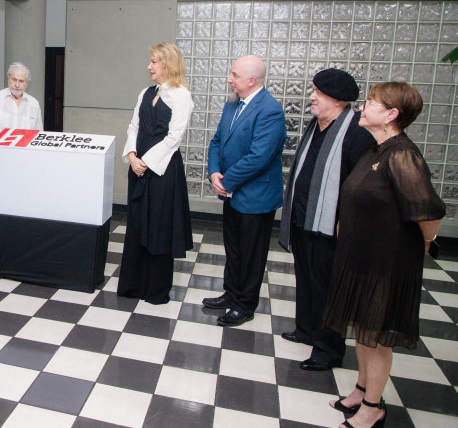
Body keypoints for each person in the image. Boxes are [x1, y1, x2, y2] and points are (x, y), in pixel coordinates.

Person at [323, 81, 444, 428]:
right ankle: (361, 391)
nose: (363, 107)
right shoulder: (376, 150)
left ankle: (372, 408)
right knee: (363, 330)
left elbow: (429, 212)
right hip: (361, 258)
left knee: (376, 338)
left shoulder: (402, 155)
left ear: (391, 114)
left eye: (371, 102)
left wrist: (427, 241)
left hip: (386, 263)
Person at [278, 69, 375, 372]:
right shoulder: (316, 124)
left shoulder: (356, 132)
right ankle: (306, 329)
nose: (311, 97)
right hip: (304, 217)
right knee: (306, 277)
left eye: (317, 93)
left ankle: (328, 350)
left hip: (331, 225)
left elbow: (360, 184)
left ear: (337, 100)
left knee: (327, 287)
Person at [205, 55, 286, 327]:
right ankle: (231, 293)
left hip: (256, 197)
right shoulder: (233, 104)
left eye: (235, 75)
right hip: (232, 193)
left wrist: (226, 180)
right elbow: (217, 141)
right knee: (234, 248)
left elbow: (259, 157)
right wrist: (214, 172)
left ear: (252, 80)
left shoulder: (270, 110)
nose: (229, 79)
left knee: (252, 254)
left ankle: (245, 305)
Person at [117, 42, 193, 305]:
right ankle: (134, 285)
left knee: (159, 227)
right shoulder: (146, 92)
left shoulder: (181, 95)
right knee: (137, 223)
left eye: (153, 62)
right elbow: (134, 127)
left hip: (163, 171)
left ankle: (155, 290)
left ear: (168, 64)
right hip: (138, 168)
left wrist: (146, 162)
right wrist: (131, 156)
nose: (148, 66)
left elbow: (174, 137)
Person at [0, 62, 43, 142]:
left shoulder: (34, 104)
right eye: (14, 80)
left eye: (21, 81)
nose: (17, 85)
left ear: (26, 83)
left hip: (23, 149)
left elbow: (38, 135)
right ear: (8, 79)